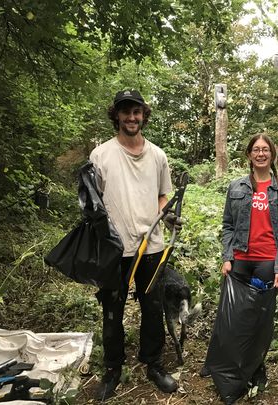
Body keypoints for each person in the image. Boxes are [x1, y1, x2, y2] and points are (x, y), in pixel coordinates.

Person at [90, 89, 178, 401]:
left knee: (153, 307)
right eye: (125, 111)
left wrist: (168, 217)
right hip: (115, 249)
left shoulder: (158, 156)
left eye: (136, 111)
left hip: (151, 245)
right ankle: (113, 367)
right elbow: (92, 204)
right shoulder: (100, 155)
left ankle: (153, 363)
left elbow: (162, 196)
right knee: (112, 308)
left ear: (143, 115)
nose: (131, 117)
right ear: (116, 115)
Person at [202, 133, 278, 399]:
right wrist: (227, 256)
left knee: (259, 321)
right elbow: (228, 225)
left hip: (267, 262)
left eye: (266, 150)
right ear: (249, 155)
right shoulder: (237, 187)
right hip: (241, 261)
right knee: (234, 320)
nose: (261, 154)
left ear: (272, 155)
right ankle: (231, 369)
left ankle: (257, 369)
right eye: (256, 149)